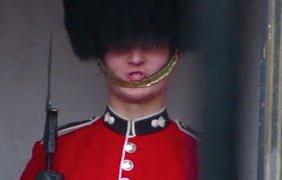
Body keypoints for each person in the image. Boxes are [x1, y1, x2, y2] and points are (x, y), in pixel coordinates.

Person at [21, 0, 199, 179]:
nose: (136, 59)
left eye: (152, 43)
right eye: (120, 43)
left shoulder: (201, 155)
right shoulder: (59, 150)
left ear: (175, 52)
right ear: (101, 53)